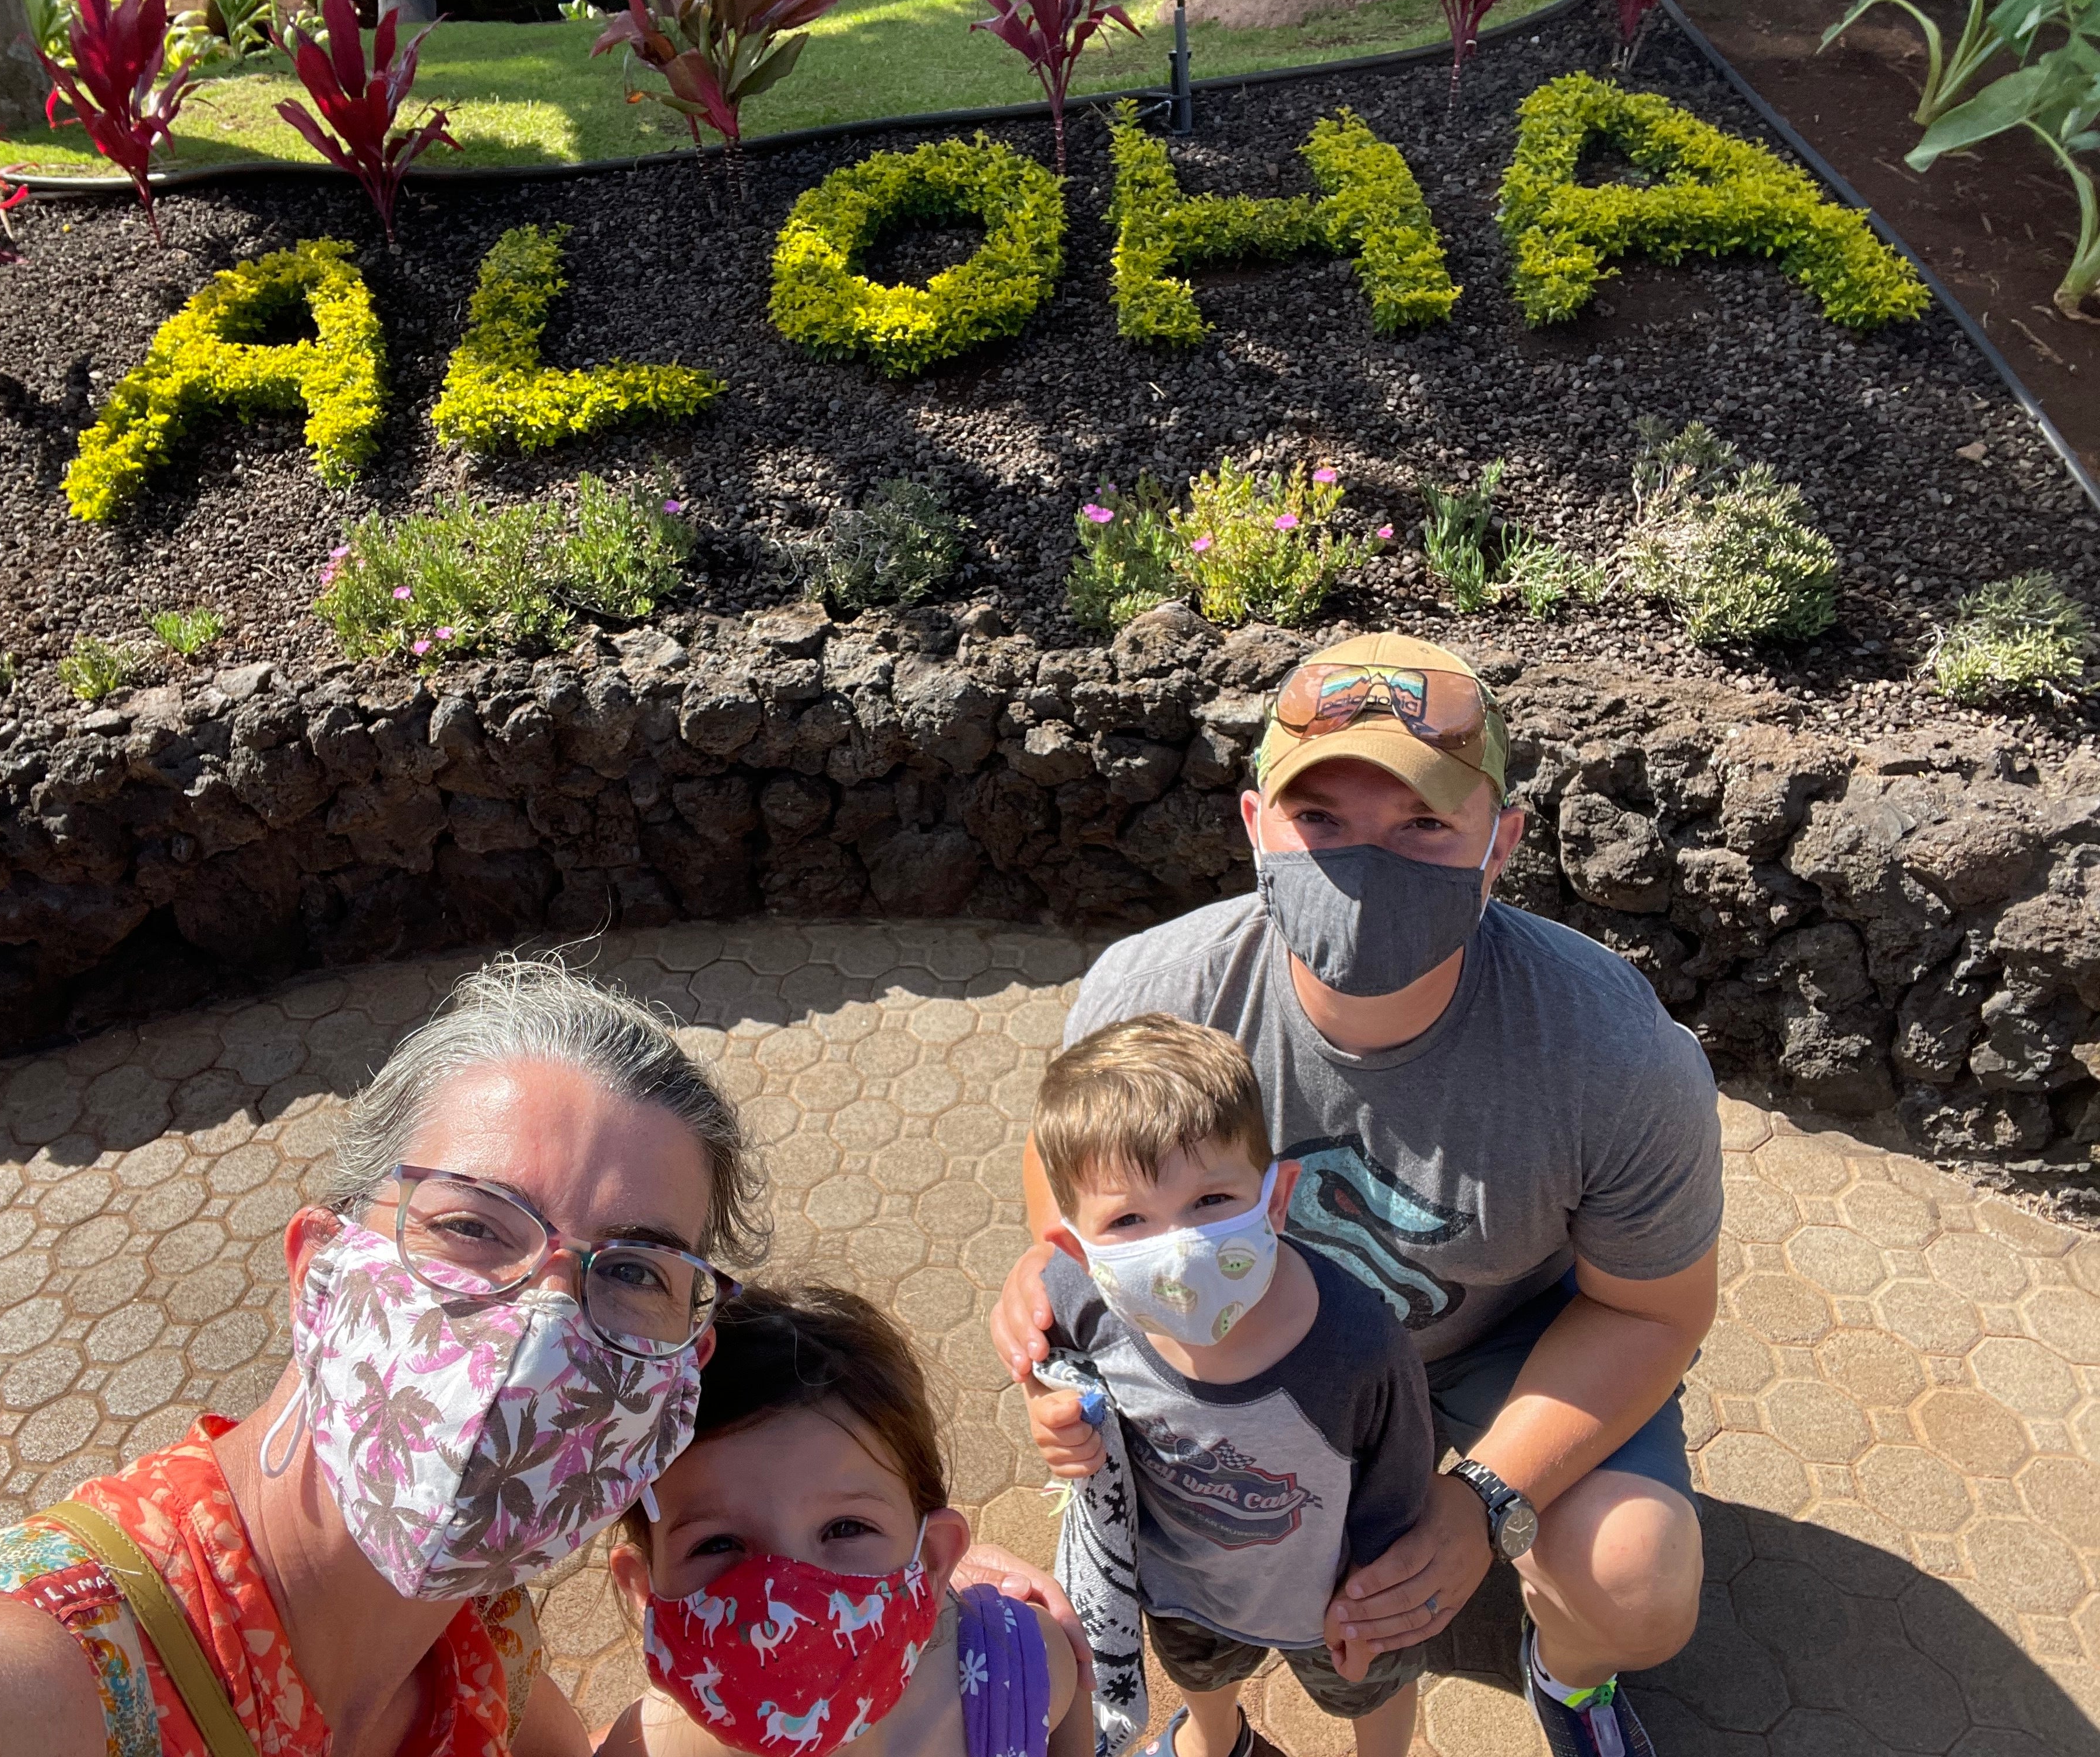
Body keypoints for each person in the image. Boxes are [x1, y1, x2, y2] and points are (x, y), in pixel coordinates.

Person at [993, 633, 1722, 1757]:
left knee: (1634, 1577)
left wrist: (1485, 1498)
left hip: (1498, 1347)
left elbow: (1652, 1309)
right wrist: (1050, 1263)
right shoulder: (1153, 988)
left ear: (1499, 845)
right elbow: (1065, 1159)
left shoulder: (1613, 1054)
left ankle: (1568, 1676)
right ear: (1253, 828)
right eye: (1318, 819)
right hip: (1254, 1336)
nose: (1363, 865)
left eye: (1423, 822)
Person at [0, 955, 771, 1757]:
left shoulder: (480, 1633)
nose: (544, 1329)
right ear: (318, 1270)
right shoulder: (53, 1668)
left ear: (687, 1359)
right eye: (472, 1223)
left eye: (636, 1271)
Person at [1023, 1014, 1433, 1757]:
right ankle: (1218, 1744)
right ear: (1074, 1248)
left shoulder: (1357, 1341)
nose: (1177, 1252)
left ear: (1276, 1200)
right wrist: (1050, 1418)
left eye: (1211, 1202)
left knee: (1375, 1689)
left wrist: (1374, 1597)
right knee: (1202, 1676)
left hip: (1334, 1598)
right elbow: (1051, 1367)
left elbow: (1399, 1479)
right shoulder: (1077, 1298)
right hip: (1182, 1587)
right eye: (1128, 1219)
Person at [600, 1282, 1094, 1757]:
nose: (787, 1601)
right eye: (716, 1544)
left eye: (845, 1528)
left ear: (935, 1554)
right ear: (645, 1589)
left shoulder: (1026, 1672)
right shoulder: (640, 1747)